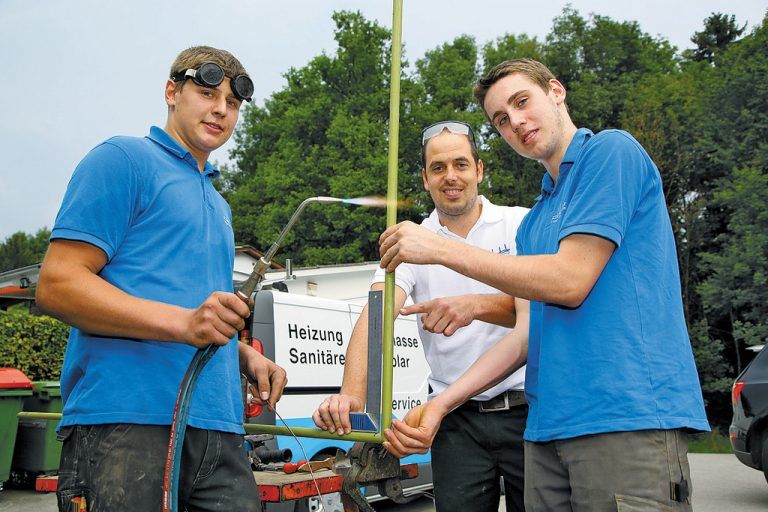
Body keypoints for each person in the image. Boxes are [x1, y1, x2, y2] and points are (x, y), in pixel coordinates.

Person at [377, 59, 709, 511]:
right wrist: (440, 406)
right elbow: (523, 336)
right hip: (545, 429)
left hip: (623, 416)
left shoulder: (611, 153)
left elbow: (571, 281)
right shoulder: (533, 223)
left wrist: (440, 248)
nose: (515, 122)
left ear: (556, 92)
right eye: (500, 119)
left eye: (521, 102)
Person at [36, 46, 287, 512]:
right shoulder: (123, 159)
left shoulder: (218, 203)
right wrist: (185, 324)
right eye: (207, 93)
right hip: (126, 422)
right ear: (172, 92)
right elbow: (57, 284)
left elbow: (193, 316)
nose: (220, 110)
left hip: (218, 427)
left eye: (232, 103)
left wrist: (243, 357)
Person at [312, 121, 529, 512]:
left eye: (461, 164)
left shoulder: (520, 223)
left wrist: (476, 304)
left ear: (479, 170)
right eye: (439, 167)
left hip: (527, 408)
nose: (451, 176)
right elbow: (377, 313)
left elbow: (540, 313)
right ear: (426, 179)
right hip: (455, 419)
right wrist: (352, 394)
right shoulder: (411, 238)